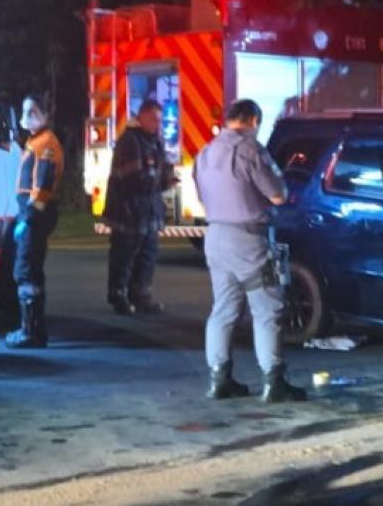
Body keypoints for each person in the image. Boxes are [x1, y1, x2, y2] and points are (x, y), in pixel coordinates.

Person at [193, 98, 307, 403]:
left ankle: (219, 379)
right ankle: (273, 381)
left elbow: (202, 197)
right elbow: (278, 195)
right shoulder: (250, 150)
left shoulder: (204, 153)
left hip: (215, 237)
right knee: (268, 308)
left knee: (224, 309)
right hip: (249, 240)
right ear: (253, 121)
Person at [102, 99, 176, 315]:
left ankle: (141, 295)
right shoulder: (130, 141)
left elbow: (159, 171)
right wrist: (160, 181)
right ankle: (119, 296)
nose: (157, 124)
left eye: (160, 120)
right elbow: (133, 179)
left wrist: (166, 179)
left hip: (148, 211)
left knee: (147, 256)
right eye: (154, 119)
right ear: (141, 116)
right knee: (124, 256)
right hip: (129, 213)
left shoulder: (153, 141)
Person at [6, 95, 64, 348]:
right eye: (25, 110)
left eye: (33, 111)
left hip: (36, 214)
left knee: (25, 270)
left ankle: (30, 331)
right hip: (32, 214)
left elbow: (42, 185)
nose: (27, 116)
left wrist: (28, 219)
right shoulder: (35, 141)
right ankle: (35, 329)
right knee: (32, 270)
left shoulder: (45, 144)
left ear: (45, 114)